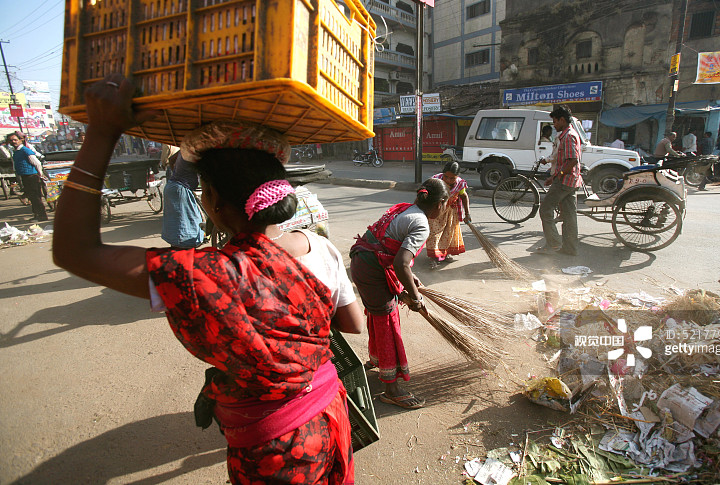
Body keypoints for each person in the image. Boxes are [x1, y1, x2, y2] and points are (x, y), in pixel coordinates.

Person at [52, 74, 361, 485]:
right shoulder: (320, 249)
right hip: (327, 415)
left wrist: (102, 132)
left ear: (213, 201)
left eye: (202, 191)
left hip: (278, 451)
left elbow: (76, 252)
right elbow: (354, 324)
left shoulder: (203, 275)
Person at [349, 178, 449, 409]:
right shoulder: (421, 222)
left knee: (378, 315)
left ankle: (377, 360)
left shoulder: (406, 209)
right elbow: (401, 262)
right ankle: (392, 389)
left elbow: (389, 247)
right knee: (388, 323)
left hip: (363, 264)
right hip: (372, 270)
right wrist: (416, 298)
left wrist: (408, 277)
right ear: (441, 203)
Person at [538, 105, 582, 256]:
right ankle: (570, 249)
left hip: (564, 181)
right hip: (571, 181)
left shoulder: (568, 136)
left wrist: (558, 175)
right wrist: (553, 176)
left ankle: (554, 244)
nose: (554, 125)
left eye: (556, 122)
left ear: (562, 120)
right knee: (569, 216)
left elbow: (572, 161)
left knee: (545, 209)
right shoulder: (567, 135)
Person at [427, 161, 471, 268]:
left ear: (457, 176)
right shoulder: (435, 181)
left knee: (448, 233)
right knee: (434, 233)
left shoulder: (460, 184)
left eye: (452, 178)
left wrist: (467, 213)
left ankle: (445, 254)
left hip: (450, 212)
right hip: (436, 212)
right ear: (443, 174)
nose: (449, 180)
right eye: (446, 177)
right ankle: (433, 258)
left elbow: (464, 197)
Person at [161, 149, 206, 248]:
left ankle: (179, 255)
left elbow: (172, 159)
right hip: (180, 190)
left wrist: (178, 174)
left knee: (180, 228)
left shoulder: (186, 147)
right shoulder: (197, 151)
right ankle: (182, 257)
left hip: (174, 186)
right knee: (185, 230)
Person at [6, 131, 48, 222]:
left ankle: (42, 216)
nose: (13, 142)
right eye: (11, 140)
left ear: (20, 140)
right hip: (25, 176)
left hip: (32, 176)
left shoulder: (25, 150)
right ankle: (37, 215)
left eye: (15, 140)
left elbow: (37, 163)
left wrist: (40, 174)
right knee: (32, 197)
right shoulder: (16, 151)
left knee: (36, 197)